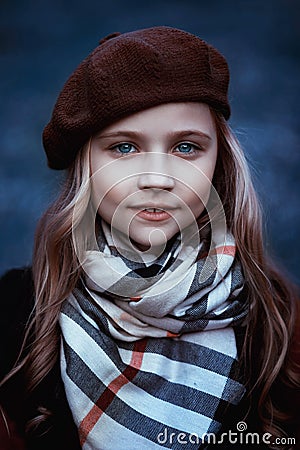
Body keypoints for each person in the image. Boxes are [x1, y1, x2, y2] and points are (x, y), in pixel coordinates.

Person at [0, 26, 299, 450]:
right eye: (124, 148)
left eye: (186, 148)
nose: (158, 179)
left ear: (220, 162)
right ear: (85, 164)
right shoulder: (16, 310)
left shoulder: (280, 320)